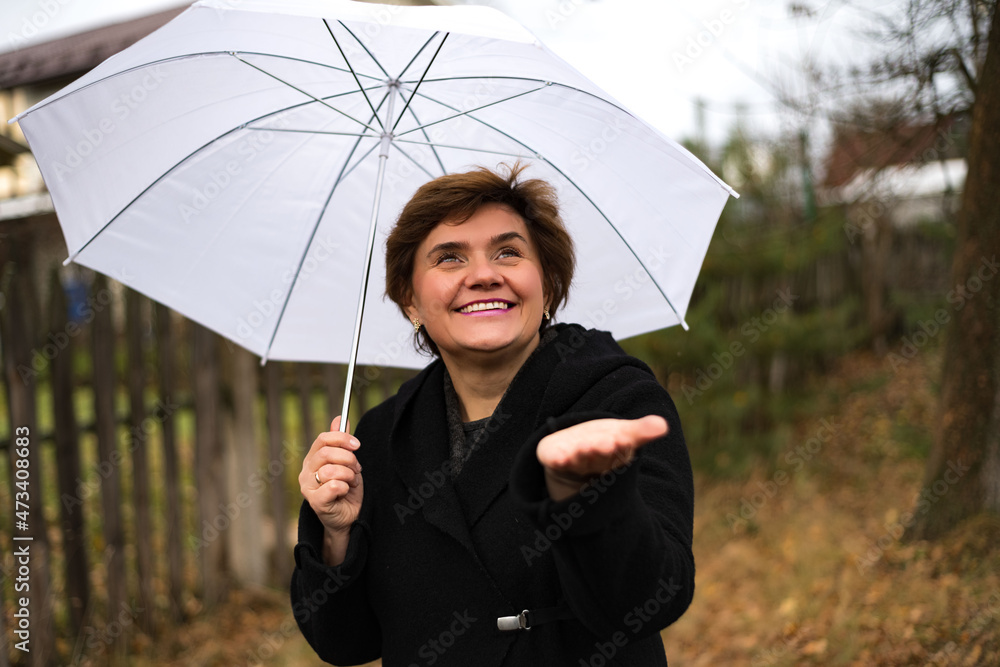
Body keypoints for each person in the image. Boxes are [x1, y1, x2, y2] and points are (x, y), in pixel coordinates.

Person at [291, 163, 695, 666]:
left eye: (508, 252)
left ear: (547, 282)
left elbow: (653, 599)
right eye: (449, 258)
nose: (484, 275)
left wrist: (588, 497)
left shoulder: (619, 400)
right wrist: (336, 535)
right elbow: (344, 643)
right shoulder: (378, 436)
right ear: (411, 300)